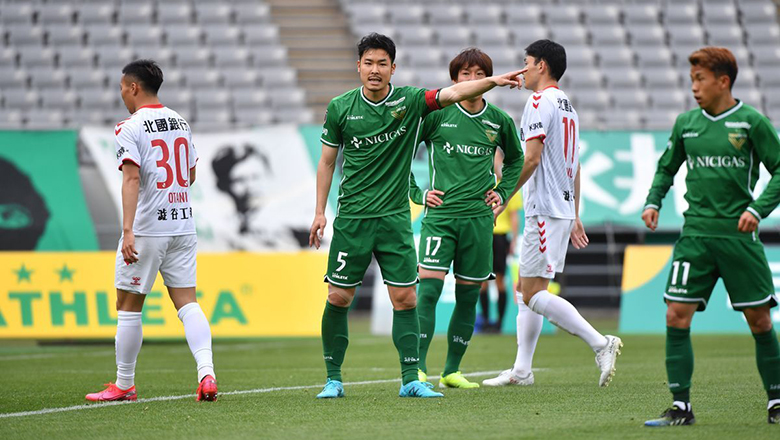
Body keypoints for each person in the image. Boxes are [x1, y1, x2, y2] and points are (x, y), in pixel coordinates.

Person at [309, 34, 525, 399]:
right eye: (368, 63)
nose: (375, 70)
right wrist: (319, 212)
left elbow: (450, 94)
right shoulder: (340, 107)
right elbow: (328, 160)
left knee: (406, 299)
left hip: (394, 220)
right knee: (338, 298)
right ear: (358, 66)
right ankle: (333, 379)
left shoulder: (410, 102)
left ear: (393, 68)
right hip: (353, 219)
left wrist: (494, 81)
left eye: (382, 63)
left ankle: (412, 378)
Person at [641, 47, 780, 427]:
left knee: (760, 322)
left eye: (700, 80)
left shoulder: (751, 122)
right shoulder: (686, 123)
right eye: (691, 81)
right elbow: (665, 168)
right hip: (695, 237)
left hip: (738, 238)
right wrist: (654, 201)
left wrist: (757, 209)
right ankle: (681, 407)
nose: (694, 88)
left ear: (723, 81)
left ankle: (777, 400)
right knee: (675, 314)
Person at [484, 39, 622, 388]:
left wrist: (504, 195)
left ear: (542, 65)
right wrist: (574, 214)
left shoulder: (538, 101)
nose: (524, 68)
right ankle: (522, 370)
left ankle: (600, 343)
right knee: (523, 288)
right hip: (558, 208)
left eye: (527, 62)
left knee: (531, 293)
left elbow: (531, 159)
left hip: (543, 207)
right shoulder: (567, 106)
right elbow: (574, 165)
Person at [86, 59, 217, 402]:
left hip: (148, 227)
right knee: (187, 303)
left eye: (121, 88)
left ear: (133, 87)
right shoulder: (180, 121)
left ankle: (124, 383)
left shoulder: (128, 127)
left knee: (128, 306)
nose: (121, 95)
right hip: (182, 224)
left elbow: (131, 178)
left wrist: (127, 230)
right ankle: (207, 374)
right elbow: (188, 176)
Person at [409, 48, 524, 389]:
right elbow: (400, 154)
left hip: (478, 220)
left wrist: (502, 194)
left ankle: (451, 371)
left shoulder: (499, 120)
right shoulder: (435, 116)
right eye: (465, 74)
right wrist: (418, 193)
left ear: (488, 80)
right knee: (427, 292)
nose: (472, 80)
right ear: (454, 80)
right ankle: (416, 368)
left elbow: (517, 161)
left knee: (469, 295)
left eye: (479, 74)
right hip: (440, 218)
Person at [479, 153, 523, 334]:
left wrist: (513, 239)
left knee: (499, 280)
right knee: (481, 279)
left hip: (499, 236)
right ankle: (486, 320)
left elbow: (514, 216)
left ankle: (498, 323)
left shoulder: (506, 186)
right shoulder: (480, 183)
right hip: (482, 235)